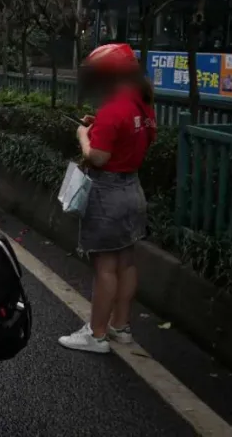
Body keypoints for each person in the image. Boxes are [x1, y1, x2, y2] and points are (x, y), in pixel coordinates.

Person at [58, 43, 157, 354]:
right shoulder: (142, 104)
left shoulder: (114, 108)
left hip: (108, 193)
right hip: (133, 190)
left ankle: (96, 334)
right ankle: (120, 326)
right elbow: (133, 137)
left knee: (105, 267)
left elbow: (98, 157)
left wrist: (84, 136)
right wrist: (98, 124)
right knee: (126, 262)